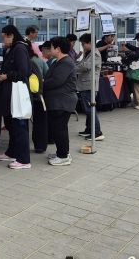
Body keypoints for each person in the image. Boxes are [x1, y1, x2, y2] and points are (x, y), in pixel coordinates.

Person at [0, 25, 32, 169]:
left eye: (3, 37)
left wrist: (7, 76)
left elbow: (24, 72)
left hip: (17, 93)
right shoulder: (10, 49)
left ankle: (24, 160)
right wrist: (2, 76)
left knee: (19, 125)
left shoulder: (19, 48)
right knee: (11, 124)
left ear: (11, 35)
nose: (2, 40)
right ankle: (12, 152)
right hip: (8, 92)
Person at [43, 37, 77, 166]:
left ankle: (63, 156)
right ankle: (61, 152)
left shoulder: (66, 62)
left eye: (51, 47)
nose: (50, 49)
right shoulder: (58, 61)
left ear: (57, 49)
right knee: (57, 128)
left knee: (59, 129)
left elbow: (56, 80)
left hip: (62, 101)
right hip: (57, 101)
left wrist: (41, 84)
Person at [76, 34, 103, 141]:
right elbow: (82, 64)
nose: (82, 46)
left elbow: (85, 66)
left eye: (83, 44)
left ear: (90, 43)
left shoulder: (95, 54)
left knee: (90, 109)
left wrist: (72, 68)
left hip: (89, 86)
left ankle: (97, 132)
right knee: (87, 109)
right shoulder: (89, 53)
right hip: (85, 85)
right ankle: (89, 129)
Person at [29, 49, 49, 153]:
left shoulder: (29, 62)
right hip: (40, 94)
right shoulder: (40, 60)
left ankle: (39, 145)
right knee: (40, 121)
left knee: (38, 121)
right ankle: (41, 145)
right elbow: (47, 73)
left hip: (35, 95)